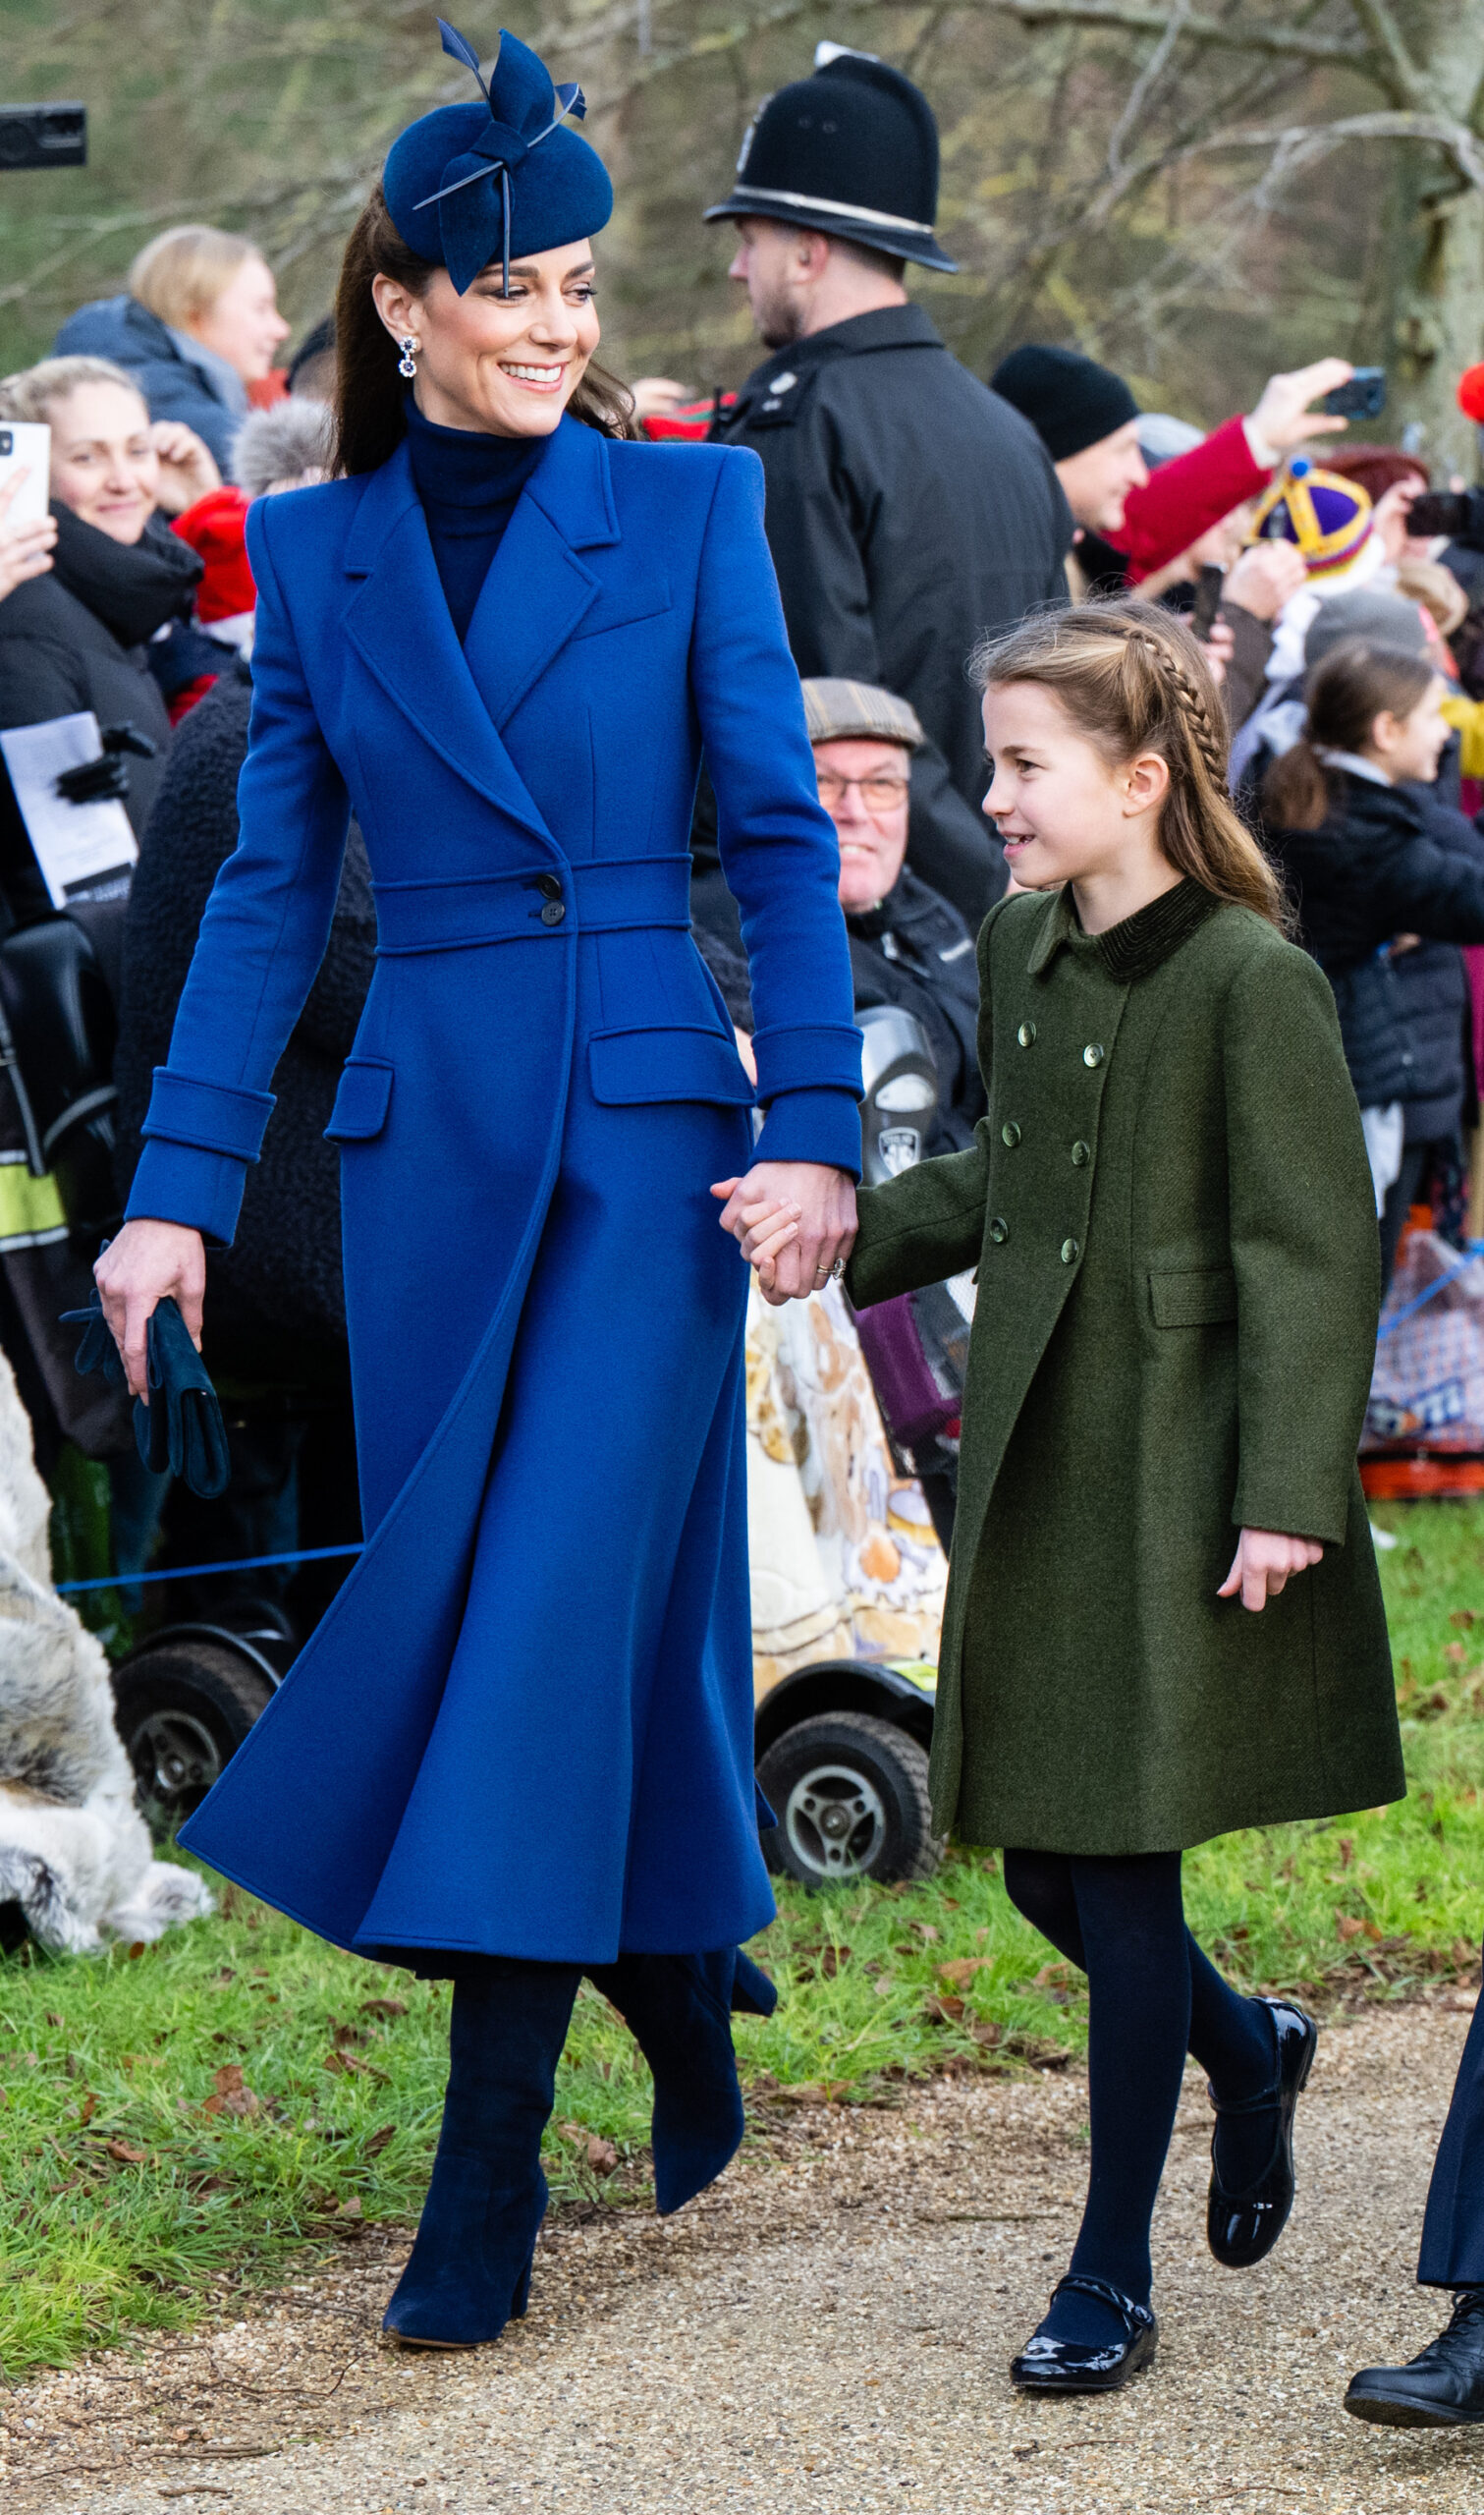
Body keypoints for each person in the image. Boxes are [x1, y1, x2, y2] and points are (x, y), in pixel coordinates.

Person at [92, 22, 861, 2353]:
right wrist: (172, 1190)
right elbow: (255, 901)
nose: (555, 327)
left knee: (524, 1622)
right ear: (403, 301)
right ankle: (668, 1967)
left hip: (644, 1153)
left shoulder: (691, 508)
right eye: (510, 289)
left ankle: (482, 2169)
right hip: (423, 1152)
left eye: (583, 292)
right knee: (502, 1629)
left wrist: (815, 1122)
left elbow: (778, 840)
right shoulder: (313, 554)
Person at [730, 598, 1402, 2395]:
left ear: (1139, 776)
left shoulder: (1253, 978)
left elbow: (1312, 1252)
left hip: (1184, 1468)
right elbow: (1001, 1180)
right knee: (1039, 1853)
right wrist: (841, 1228)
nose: (993, 800)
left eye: (1023, 767)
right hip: (1040, 1442)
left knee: (1114, 1871)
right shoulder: (1023, 947)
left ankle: (1108, 2271)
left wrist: (1284, 1495)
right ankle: (1245, 2048)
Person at [703, 44, 1072, 925]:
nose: (736, 271)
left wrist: (967, 894)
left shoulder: (799, 421)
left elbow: (818, 705)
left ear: (806, 252)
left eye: (750, 241)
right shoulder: (1007, 432)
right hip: (1013, 896)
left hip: (879, 917)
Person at [1260, 639, 1484, 1283]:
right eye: (1433, 716)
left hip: (1309, 1048)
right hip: (1345, 1066)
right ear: (1385, 730)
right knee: (1348, 1275)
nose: (1445, 733)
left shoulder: (1301, 786)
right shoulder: (1366, 838)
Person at [0, 356, 211, 927]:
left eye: (137, 450)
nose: (123, 479)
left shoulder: (121, 592)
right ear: (27, 474)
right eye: (87, 457)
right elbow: (50, 885)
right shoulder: (28, 613)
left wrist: (202, 507)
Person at [989, 345, 1356, 593]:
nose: (1140, 474)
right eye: (1122, 451)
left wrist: (1259, 437)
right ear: (1058, 450)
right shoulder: (996, 567)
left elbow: (1140, 530)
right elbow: (1140, 530)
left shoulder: (1047, 549)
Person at [805, 676, 983, 1153]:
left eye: (882, 783)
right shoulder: (736, 940)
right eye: (823, 781)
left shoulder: (930, 912)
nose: (855, 811)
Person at [54, 226, 291, 479]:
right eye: (261, 308)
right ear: (194, 312)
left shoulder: (141, 365)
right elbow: (285, 481)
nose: (281, 330)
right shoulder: (150, 391)